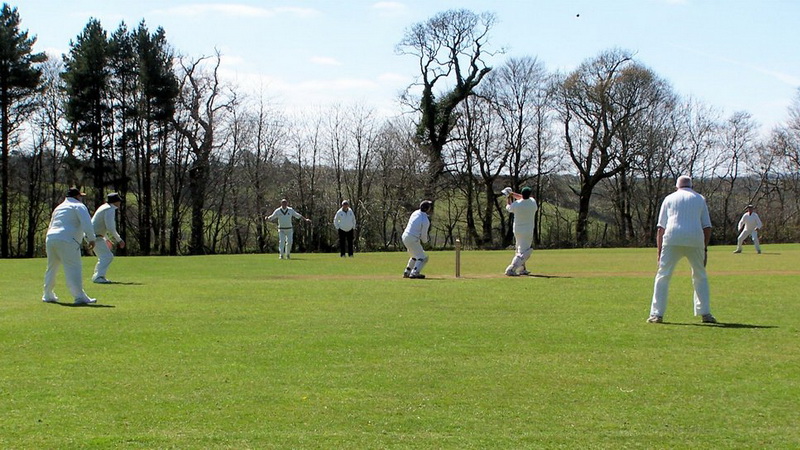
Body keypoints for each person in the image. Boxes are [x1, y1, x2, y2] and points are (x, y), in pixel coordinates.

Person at [648, 175, 716, 324]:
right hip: (695, 239)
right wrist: (704, 249)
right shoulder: (700, 198)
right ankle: (705, 313)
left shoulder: (669, 199)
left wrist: (659, 252)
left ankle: (656, 314)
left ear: (677, 186)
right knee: (700, 276)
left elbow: (661, 228)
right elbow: (707, 226)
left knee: (663, 276)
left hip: (672, 238)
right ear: (691, 186)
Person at [42, 187, 97, 305]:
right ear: (77, 196)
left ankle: (47, 294)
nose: (81, 198)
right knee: (73, 267)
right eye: (80, 196)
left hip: (51, 238)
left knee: (52, 267)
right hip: (68, 239)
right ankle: (79, 297)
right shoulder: (79, 206)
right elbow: (87, 223)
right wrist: (91, 239)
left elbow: (51, 224)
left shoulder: (58, 207)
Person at [91, 192, 126, 283]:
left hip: (94, 235)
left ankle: (97, 276)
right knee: (107, 256)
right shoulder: (109, 209)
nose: (119, 203)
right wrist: (119, 240)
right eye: (118, 201)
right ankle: (98, 277)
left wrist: (106, 239)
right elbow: (110, 227)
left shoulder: (104, 207)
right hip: (95, 236)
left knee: (104, 256)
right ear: (115, 202)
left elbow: (100, 225)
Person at [503, 186, 538, 276]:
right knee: (525, 252)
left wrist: (509, 196)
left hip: (517, 230)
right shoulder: (533, 202)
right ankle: (510, 269)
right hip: (528, 230)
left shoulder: (517, 204)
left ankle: (522, 269)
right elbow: (524, 198)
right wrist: (512, 194)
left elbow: (509, 207)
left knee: (519, 249)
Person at [402, 200, 432, 279]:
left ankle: (407, 271)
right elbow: (423, 234)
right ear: (427, 209)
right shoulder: (425, 220)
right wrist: (426, 242)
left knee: (415, 255)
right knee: (423, 257)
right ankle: (414, 272)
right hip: (413, 238)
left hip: (405, 236)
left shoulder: (415, 213)